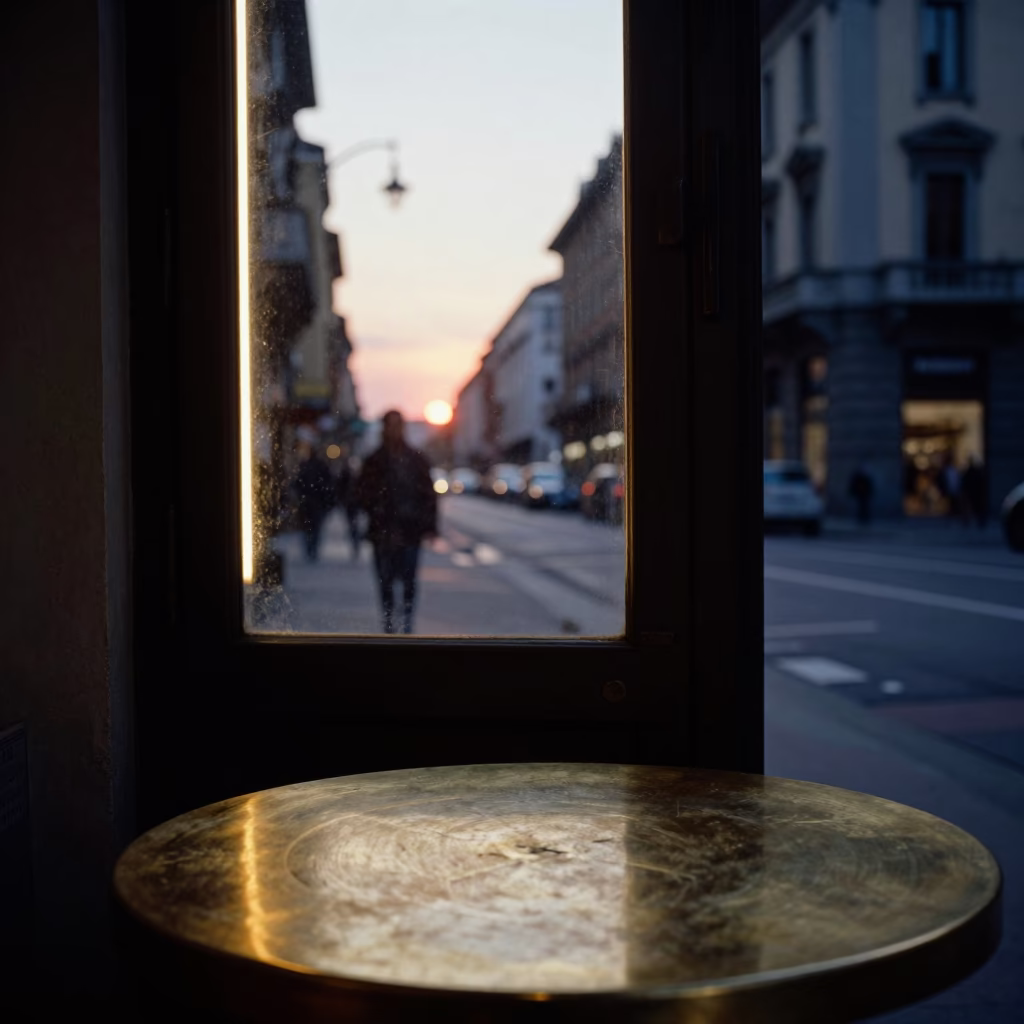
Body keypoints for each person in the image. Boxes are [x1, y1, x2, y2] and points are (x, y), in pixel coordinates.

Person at [355, 410, 438, 634]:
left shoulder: (415, 459)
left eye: (396, 426)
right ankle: (390, 621)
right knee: (386, 580)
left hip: (409, 529)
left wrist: (429, 526)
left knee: (408, 579)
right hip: (384, 530)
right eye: (390, 426)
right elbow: (362, 494)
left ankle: (406, 620)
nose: (393, 430)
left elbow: (428, 495)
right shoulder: (374, 460)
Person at [292, 441, 334, 562]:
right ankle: (312, 548)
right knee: (315, 527)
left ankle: (310, 548)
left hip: (308, 502)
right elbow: (328, 485)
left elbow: (298, 483)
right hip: (316, 502)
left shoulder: (305, 466)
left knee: (308, 527)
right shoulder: (321, 466)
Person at [334, 452, 363, 560]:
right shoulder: (346, 476)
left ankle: (355, 540)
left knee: (353, 523)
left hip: (353, 504)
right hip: (351, 504)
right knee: (353, 523)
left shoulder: (348, 476)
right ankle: (355, 540)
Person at [961, 456, 989, 528]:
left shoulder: (970, 472)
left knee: (975, 508)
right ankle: (978, 522)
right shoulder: (975, 472)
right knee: (976, 508)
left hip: (973, 492)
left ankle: (974, 522)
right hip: (975, 492)